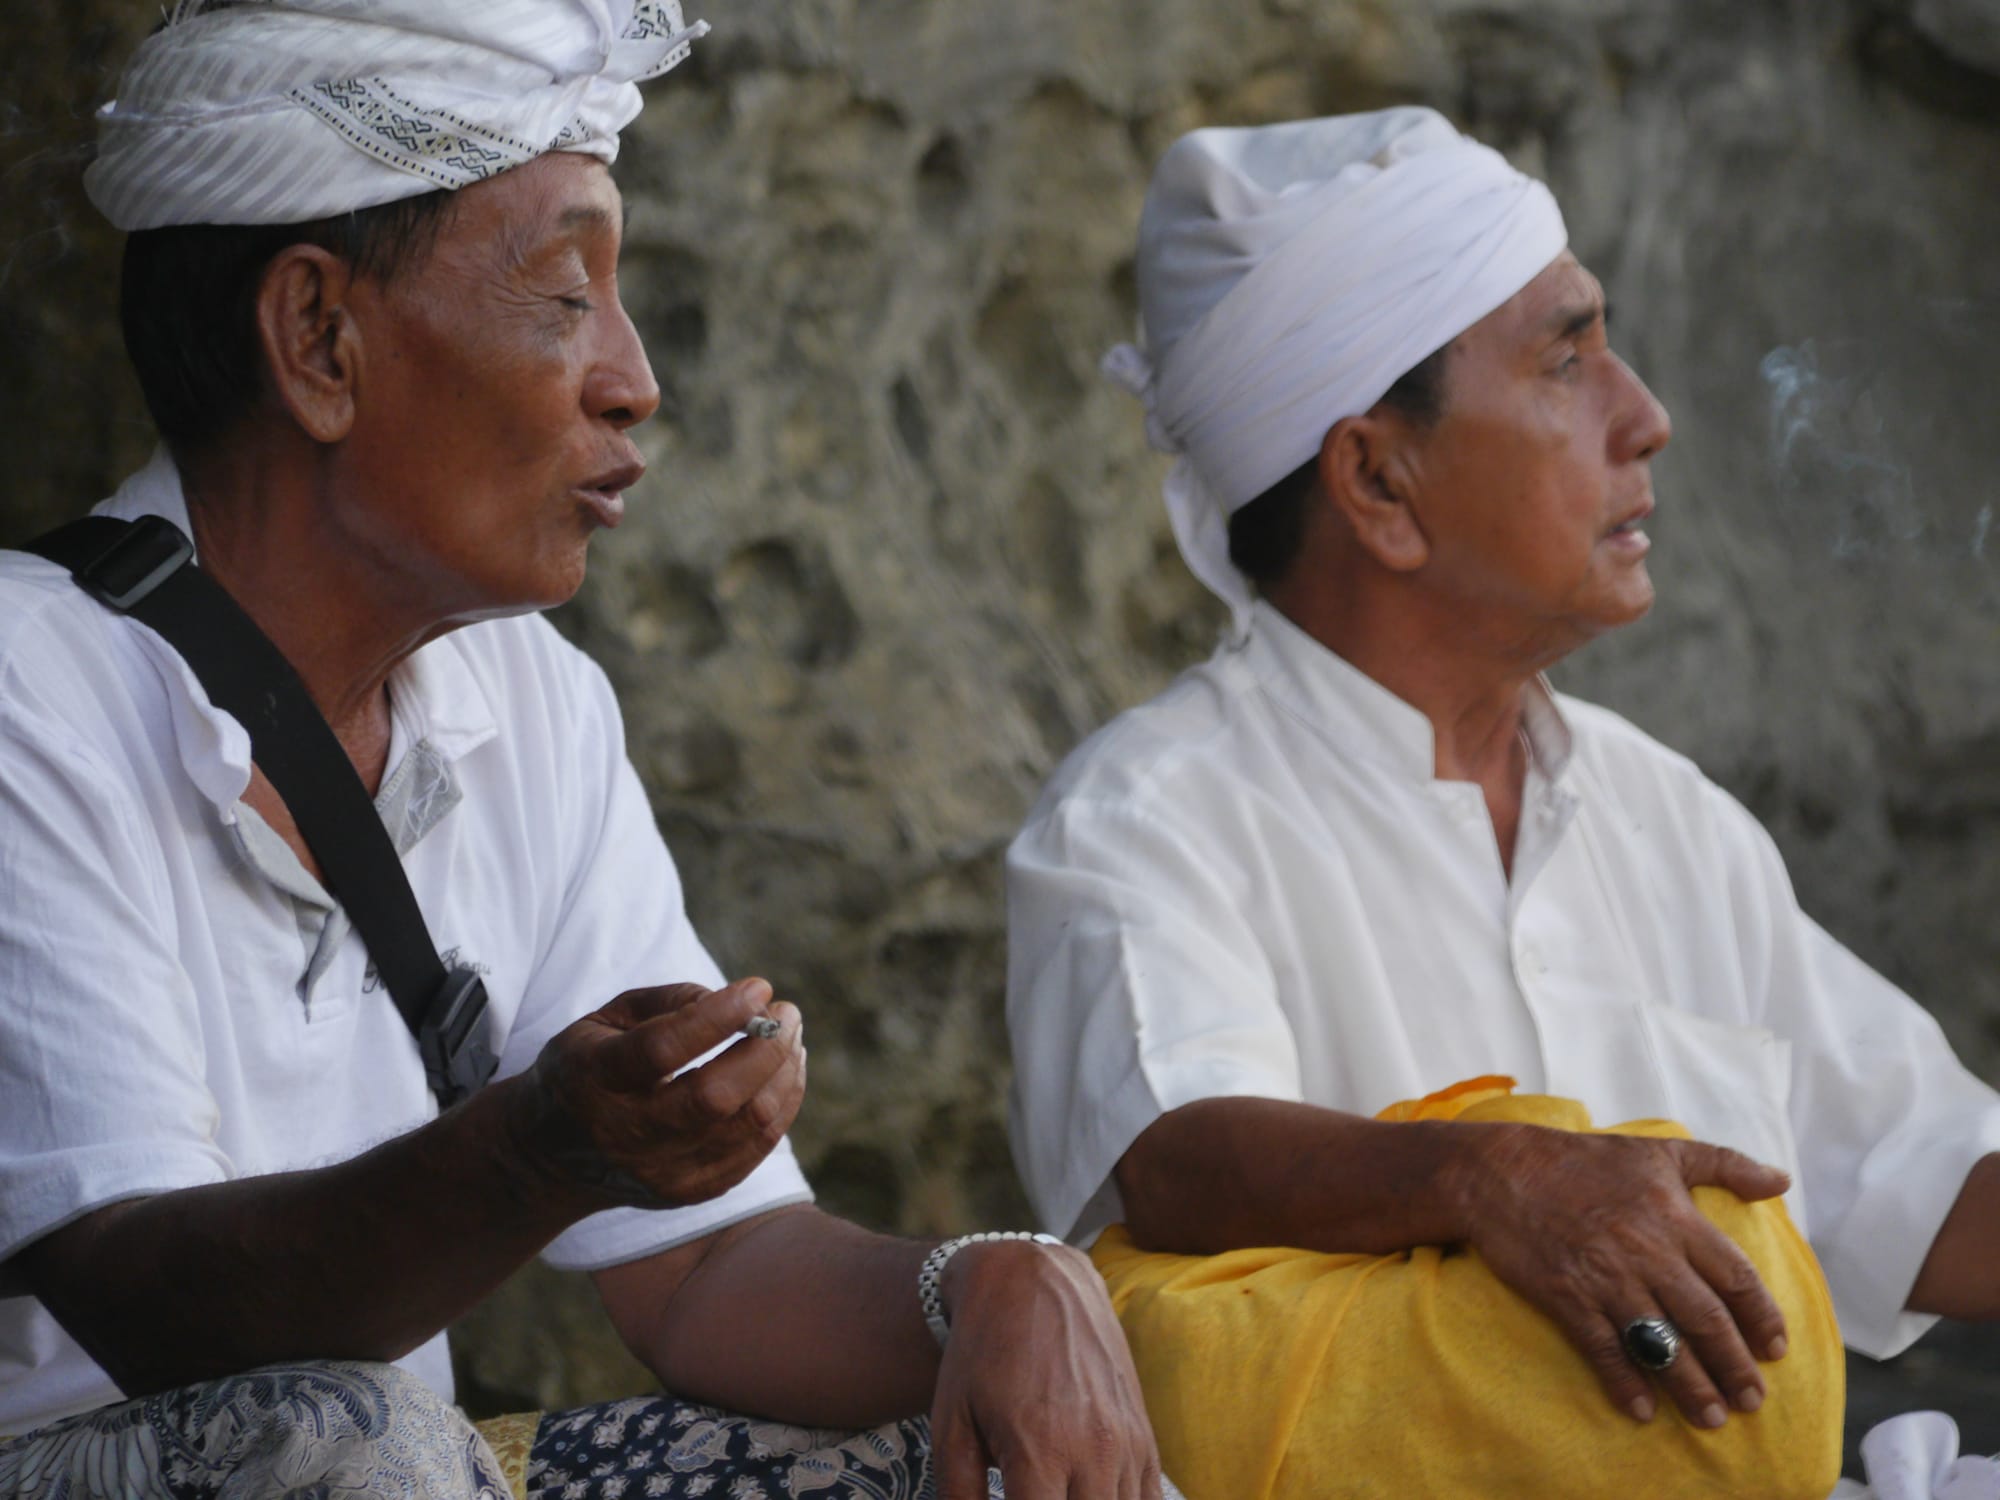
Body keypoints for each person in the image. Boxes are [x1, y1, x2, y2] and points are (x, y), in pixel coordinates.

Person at [0, 5, 1161, 1498]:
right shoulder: (34, 684)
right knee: (353, 1448)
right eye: (564, 297)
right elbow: (150, 1301)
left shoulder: (529, 705)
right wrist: (536, 1151)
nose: (633, 379)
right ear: (319, 341)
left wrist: (990, 1286)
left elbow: (705, 1270)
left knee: (981, 1438)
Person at [1005, 106, 2000, 1471]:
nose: (1643, 418)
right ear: (1377, 480)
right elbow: (1175, 1157)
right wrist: (1485, 1176)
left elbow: (1928, 1183)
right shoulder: (1145, 817)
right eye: (1567, 360)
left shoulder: (1665, 819)